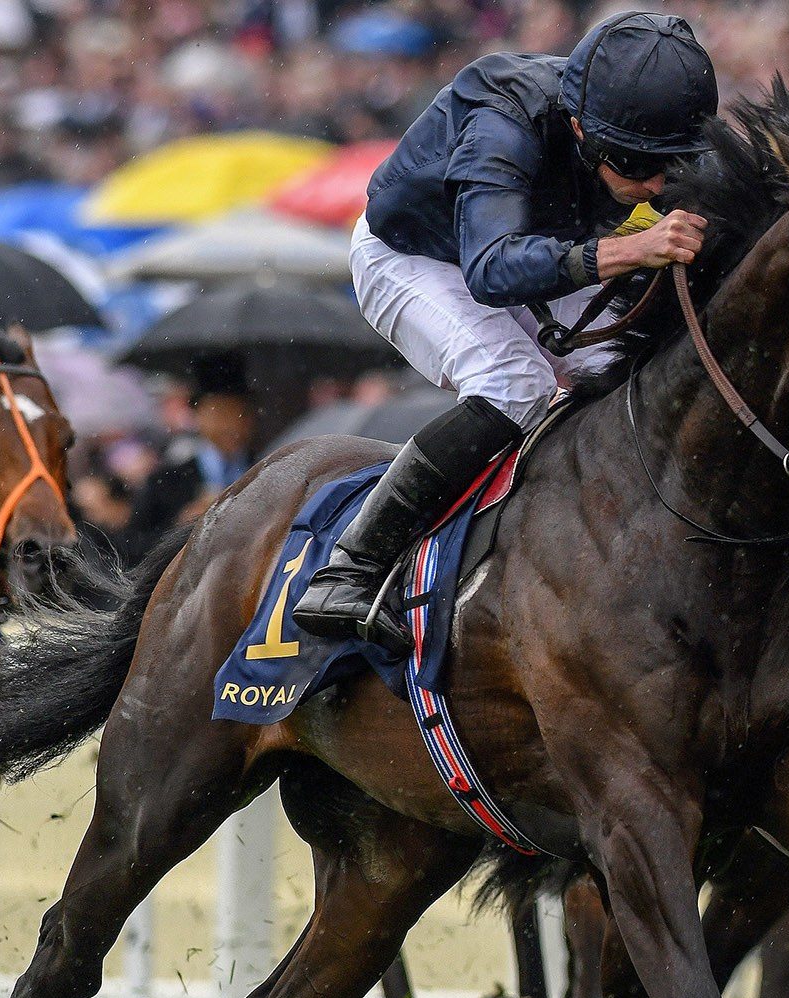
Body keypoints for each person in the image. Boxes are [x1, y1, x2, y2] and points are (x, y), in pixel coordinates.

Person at [291, 10, 718, 652]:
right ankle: (352, 565)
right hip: (418, 257)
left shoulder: (641, 129)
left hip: (540, 246)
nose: (656, 184)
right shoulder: (504, 115)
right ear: (579, 128)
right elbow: (490, 269)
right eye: (637, 164)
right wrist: (632, 250)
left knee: (632, 369)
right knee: (517, 381)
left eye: (670, 163)